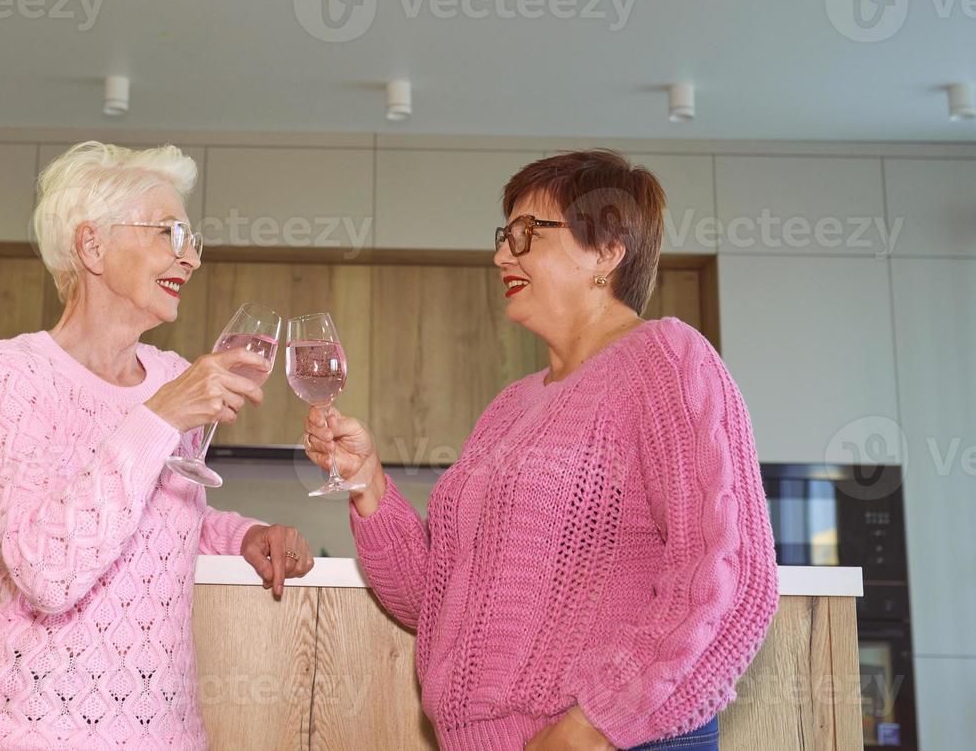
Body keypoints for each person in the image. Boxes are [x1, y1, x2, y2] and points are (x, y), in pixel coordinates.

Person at [303, 149, 778, 751]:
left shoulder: (665, 359)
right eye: (506, 235)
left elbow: (731, 578)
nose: (503, 253)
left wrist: (590, 727)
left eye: (528, 232)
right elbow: (436, 604)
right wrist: (366, 482)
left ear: (607, 250)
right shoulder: (510, 405)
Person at [0, 141, 315, 750]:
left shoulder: (173, 376)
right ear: (92, 245)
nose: (191, 257)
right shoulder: (13, 375)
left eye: (192, 237)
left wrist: (244, 537)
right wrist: (159, 415)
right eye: (169, 232)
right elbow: (47, 570)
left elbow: (161, 515)